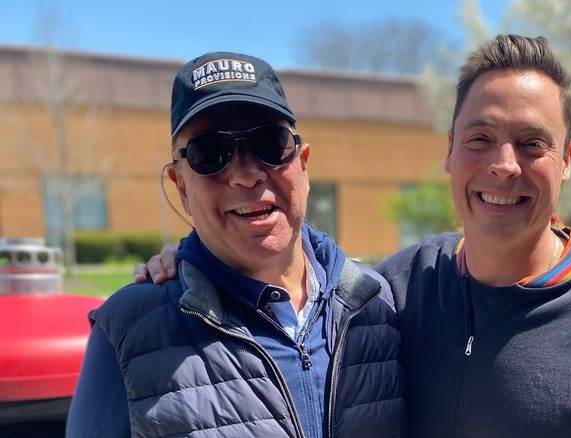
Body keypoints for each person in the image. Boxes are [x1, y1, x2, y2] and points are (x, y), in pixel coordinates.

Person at [136, 36, 571, 436]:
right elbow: (289, 263)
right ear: (449, 151)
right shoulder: (396, 288)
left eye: (533, 143)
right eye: (481, 137)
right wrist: (190, 260)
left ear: (566, 159)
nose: (504, 165)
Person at [67, 51, 405, 437]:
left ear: (303, 164)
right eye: (210, 153)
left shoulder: (379, 305)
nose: (245, 175)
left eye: (269, 142)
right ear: (181, 188)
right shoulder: (126, 332)